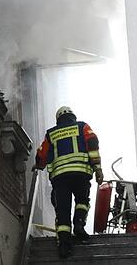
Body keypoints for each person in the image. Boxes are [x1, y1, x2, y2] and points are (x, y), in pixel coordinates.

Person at [33, 106, 103, 259]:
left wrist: (38, 164)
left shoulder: (52, 133)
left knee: (62, 209)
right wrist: (97, 168)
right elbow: (92, 142)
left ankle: (64, 245)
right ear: (73, 116)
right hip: (81, 173)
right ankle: (79, 224)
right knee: (82, 201)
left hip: (60, 178)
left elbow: (41, 154)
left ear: (58, 119)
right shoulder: (82, 127)